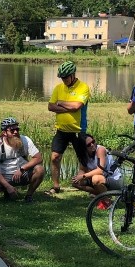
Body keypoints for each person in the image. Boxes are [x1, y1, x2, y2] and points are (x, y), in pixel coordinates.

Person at [45, 61, 90, 196]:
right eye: (62, 77)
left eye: (65, 77)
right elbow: (50, 106)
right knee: (54, 157)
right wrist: (67, 108)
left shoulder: (83, 87)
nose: (63, 80)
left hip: (78, 130)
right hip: (61, 130)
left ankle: (81, 183)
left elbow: (77, 106)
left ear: (72, 75)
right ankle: (56, 186)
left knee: (83, 159)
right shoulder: (58, 88)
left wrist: (61, 103)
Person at [0, 117, 45, 202]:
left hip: (23, 173)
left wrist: (22, 169)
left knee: (40, 170)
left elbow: (38, 158)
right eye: (12, 131)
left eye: (17, 129)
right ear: (4, 132)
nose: (16, 132)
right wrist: (7, 186)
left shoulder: (25, 140)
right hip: (5, 175)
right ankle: (8, 190)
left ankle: (29, 196)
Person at [70, 134, 112, 201]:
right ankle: (101, 195)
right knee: (76, 183)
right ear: (83, 147)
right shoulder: (84, 155)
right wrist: (77, 178)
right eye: (88, 145)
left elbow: (100, 170)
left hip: (112, 178)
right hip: (100, 178)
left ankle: (106, 200)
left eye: (93, 141)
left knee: (96, 179)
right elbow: (82, 169)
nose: (92, 145)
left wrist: (83, 176)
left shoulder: (100, 149)